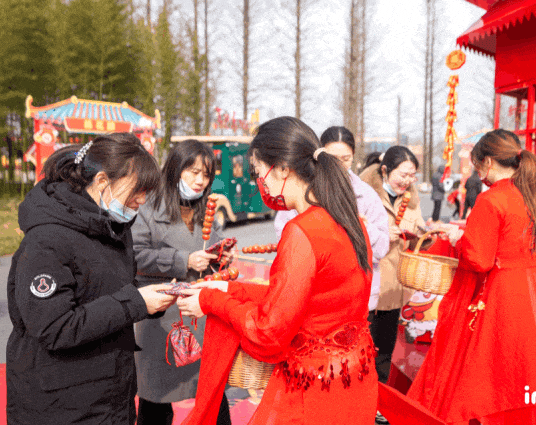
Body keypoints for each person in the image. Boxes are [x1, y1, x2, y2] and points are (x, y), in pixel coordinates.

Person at [177, 116, 378, 425]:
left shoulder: (302, 232)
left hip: (313, 391)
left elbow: (268, 332)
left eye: (260, 173)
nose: (263, 184)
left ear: (283, 169)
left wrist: (211, 301)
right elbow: (310, 300)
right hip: (355, 380)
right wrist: (229, 289)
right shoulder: (352, 221)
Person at [401, 129, 536, 424]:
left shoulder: (491, 199)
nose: (479, 173)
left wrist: (458, 239)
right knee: (530, 366)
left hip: (502, 293)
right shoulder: (534, 197)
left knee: (494, 371)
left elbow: (479, 259)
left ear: (488, 162)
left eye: (478, 166)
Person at [6, 134, 178, 425]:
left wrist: (150, 296)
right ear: (101, 181)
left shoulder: (112, 229)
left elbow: (103, 290)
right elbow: (55, 327)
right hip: (61, 404)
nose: (142, 200)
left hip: (111, 394)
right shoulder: (46, 240)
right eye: (138, 189)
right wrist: (136, 302)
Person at [131, 140, 233, 425]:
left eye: (206, 175)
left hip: (202, 317)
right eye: (193, 172)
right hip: (162, 319)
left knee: (212, 396)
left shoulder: (206, 210)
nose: (200, 181)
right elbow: (135, 256)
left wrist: (222, 257)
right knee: (156, 401)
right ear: (175, 169)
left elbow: (211, 252)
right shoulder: (148, 208)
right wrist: (183, 260)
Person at [274, 126, 389, 311]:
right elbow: (284, 235)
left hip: (356, 298)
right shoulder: (300, 190)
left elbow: (382, 248)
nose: (339, 164)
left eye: (346, 158)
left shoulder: (366, 195)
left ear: (353, 156)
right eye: (332, 158)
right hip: (312, 294)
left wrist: (364, 228)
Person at [359, 146, 428, 423]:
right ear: (385, 170)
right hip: (368, 284)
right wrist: (378, 234)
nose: (407, 181)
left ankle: (378, 403)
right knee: (363, 349)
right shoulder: (365, 194)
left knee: (385, 350)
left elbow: (419, 232)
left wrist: (422, 234)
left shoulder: (411, 199)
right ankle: (359, 401)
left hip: (394, 286)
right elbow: (351, 230)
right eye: (403, 174)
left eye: (412, 175)